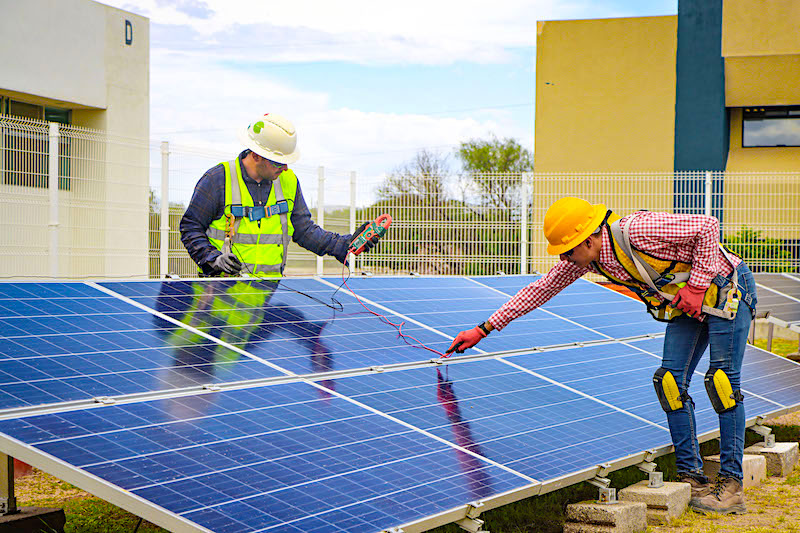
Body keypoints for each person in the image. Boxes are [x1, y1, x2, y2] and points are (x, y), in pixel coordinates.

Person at [446, 197, 757, 515]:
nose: (566, 258)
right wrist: (484, 328)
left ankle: (731, 487)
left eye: (569, 250)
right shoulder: (586, 259)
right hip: (689, 300)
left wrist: (697, 285)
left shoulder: (637, 230)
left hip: (727, 288)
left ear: (591, 238)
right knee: (668, 381)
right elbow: (541, 289)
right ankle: (693, 479)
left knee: (721, 382)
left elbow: (707, 226)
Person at [180, 113, 378, 277]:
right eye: (277, 162)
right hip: (219, 297)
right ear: (256, 155)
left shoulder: (288, 180)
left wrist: (341, 244)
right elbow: (191, 227)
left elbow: (304, 230)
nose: (284, 168)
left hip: (267, 298)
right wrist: (213, 258)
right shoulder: (218, 179)